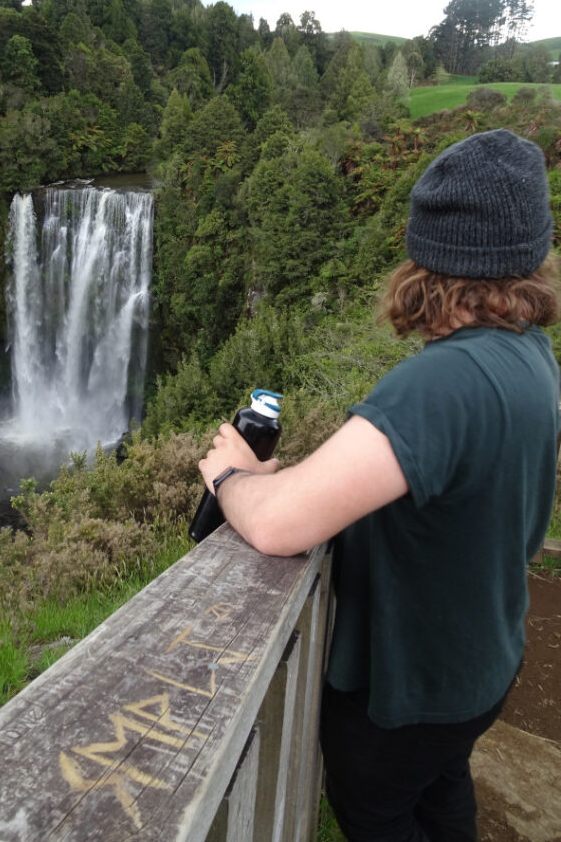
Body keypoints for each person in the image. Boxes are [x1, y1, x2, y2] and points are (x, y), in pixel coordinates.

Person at [198, 129, 560, 842]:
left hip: (410, 691)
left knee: (377, 813)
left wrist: (230, 475)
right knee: (443, 785)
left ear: (426, 258)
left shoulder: (442, 383)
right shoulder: (530, 355)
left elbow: (278, 526)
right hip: (479, 665)